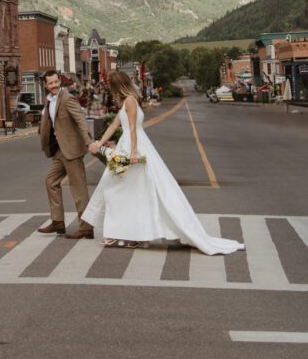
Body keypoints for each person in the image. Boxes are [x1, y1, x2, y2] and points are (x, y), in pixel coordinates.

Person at [83, 71, 244, 256]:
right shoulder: (125, 101)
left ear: (118, 85)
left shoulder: (129, 100)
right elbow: (113, 125)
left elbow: (133, 129)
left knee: (123, 189)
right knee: (123, 189)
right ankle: (126, 234)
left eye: (110, 85)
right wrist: (100, 143)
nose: (109, 88)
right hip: (126, 146)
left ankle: (126, 234)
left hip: (133, 147)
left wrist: (133, 152)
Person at [38, 69, 95, 239]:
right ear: (46, 85)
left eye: (56, 82)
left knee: (78, 188)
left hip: (72, 149)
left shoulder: (67, 98)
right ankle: (58, 222)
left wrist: (89, 141)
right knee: (51, 181)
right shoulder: (49, 100)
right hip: (60, 150)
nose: (54, 85)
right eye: (51, 83)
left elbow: (81, 120)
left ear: (59, 82)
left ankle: (86, 227)